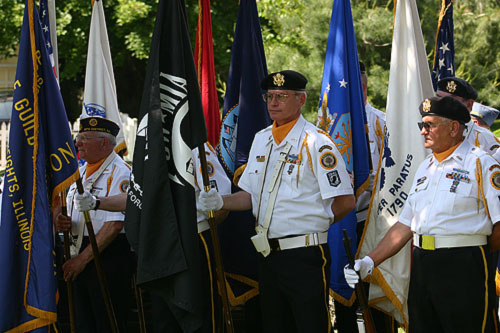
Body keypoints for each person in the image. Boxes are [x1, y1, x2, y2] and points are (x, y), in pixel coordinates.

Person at [199, 70, 356, 332]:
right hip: (267, 254)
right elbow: (249, 196)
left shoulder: (316, 142)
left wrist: (315, 222)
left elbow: (346, 201)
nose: (273, 103)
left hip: (304, 254)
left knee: (311, 326)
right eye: (269, 96)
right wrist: (220, 201)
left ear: (301, 100)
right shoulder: (261, 140)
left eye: (281, 96)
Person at [344, 96, 500, 332]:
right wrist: (369, 261)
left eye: (430, 125)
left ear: (454, 127)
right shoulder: (425, 168)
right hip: (423, 263)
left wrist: (477, 256)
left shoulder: (481, 163)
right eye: (422, 125)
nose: (423, 131)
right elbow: (405, 224)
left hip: (464, 265)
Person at [75, 142, 231, 333]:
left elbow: (221, 204)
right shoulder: (148, 150)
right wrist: (98, 202)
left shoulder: (196, 147)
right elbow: (136, 196)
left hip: (192, 239)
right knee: (163, 318)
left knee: (198, 315)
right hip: (158, 243)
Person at [54, 116, 133, 332]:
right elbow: (62, 208)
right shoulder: (79, 173)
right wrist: (59, 220)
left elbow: (114, 226)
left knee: (106, 322)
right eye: (78, 138)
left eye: (84, 139)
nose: (77, 143)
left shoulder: (121, 173)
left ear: (104, 143)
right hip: (76, 253)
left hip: (106, 256)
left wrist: (82, 260)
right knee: (81, 324)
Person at [334, 62, 395, 333]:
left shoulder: (382, 123)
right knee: (344, 297)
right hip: (340, 223)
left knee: (376, 300)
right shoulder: (328, 125)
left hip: (376, 224)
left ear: (364, 84)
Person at [436, 77, 500, 156]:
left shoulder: (486, 140)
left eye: (450, 100)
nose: (442, 105)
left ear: (469, 105)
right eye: (438, 98)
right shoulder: (428, 133)